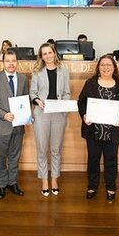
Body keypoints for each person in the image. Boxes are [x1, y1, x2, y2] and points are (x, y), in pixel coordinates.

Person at [77, 55, 119, 202]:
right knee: (93, 159)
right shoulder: (90, 83)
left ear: (114, 67)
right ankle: (92, 185)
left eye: (109, 65)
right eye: (103, 65)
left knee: (111, 160)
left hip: (112, 131)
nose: (106, 68)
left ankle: (111, 186)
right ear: (98, 67)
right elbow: (81, 103)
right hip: (93, 129)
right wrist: (84, 116)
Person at [0, 49, 30, 199]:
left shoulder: (23, 79)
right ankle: (1, 185)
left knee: (14, 157)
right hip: (1, 126)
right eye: (8, 61)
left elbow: (26, 100)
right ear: (3, 62)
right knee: (1, 157)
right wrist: (4, 115)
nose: (11, 64)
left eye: (13, 61)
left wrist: (27, 116)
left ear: (17, 62)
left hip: (18, 126)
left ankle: (13, 183)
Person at [30, 42, 70, 197]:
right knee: (41, 149)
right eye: (44, 53)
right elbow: (33, 92)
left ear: (54, 53)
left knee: (55, 149)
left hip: (58, 114)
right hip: (42, 113)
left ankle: (54, 179)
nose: (48, 56)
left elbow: (67, 92)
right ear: (41, 56)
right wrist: (37, 101)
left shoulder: (63, 71)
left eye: (50, 52)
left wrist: (63, 104)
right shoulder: (37, 72)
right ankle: (44, 180)